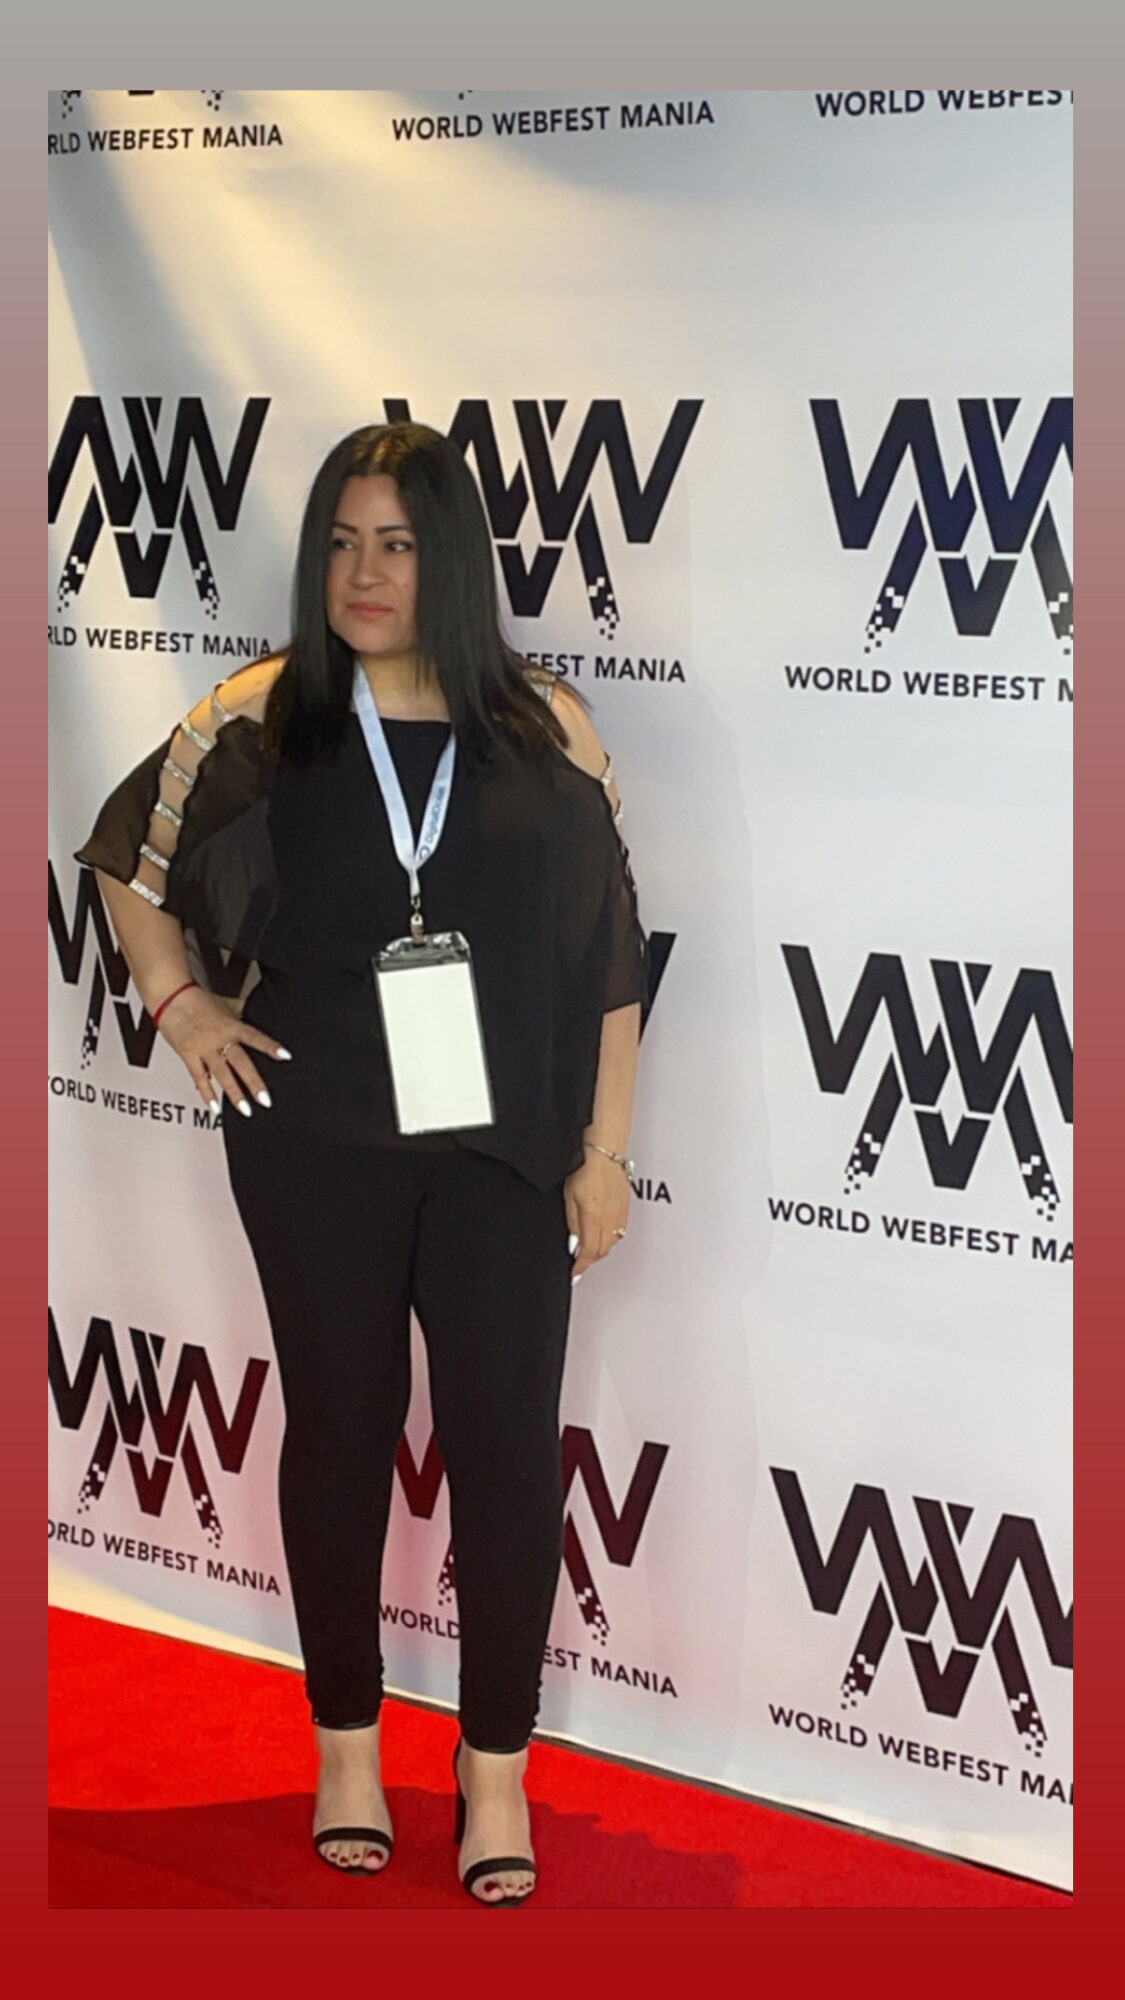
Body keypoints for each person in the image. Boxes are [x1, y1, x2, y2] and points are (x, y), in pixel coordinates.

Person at [76, 421, 646, 1908]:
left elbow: (606, 968)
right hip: (315, 1143)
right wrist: (179, 1001)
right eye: (340, 539)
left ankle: (493, 1771)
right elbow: (123, 861)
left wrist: (604, 1151)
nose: (363, 570)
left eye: (396, 543)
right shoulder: (264, 716)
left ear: (449, 557)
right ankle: (344, 1745)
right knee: (338, 1435)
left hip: (506, 1156)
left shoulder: (548, 730)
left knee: (508, 1457)